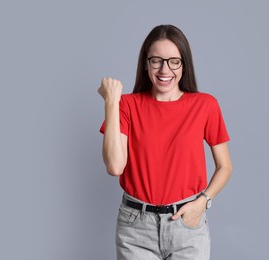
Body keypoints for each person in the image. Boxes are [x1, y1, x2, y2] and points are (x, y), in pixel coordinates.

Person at [98, 24, 232, 260]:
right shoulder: (126, 105)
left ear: (184, 64)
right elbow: (115, 167)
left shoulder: (205, 105)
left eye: (174, 61)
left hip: (187, 223)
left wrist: (203, 202)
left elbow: (225, 166)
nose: (164, 69)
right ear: (146, 63)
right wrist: (111, 101)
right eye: (156, 60)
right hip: (135, 227)